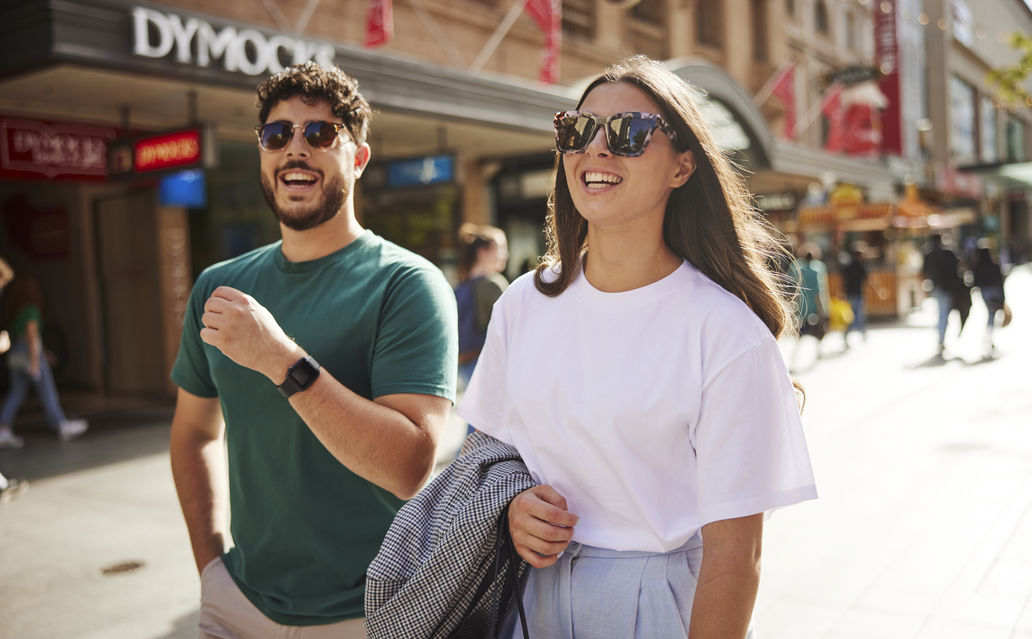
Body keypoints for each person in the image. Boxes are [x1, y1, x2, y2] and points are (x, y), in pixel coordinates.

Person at [459, 56, 817, 638]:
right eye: (578, 130)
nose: (596, 150)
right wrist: (512, 507)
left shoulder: (723, 330)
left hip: (658, 601)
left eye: (627, 133)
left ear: (681, 167)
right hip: (527, 593)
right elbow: (486, 456)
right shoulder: (523, 303)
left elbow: (736, 553)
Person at [169, 62, 457, 638]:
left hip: (370, 611)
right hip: (239, 605)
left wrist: (279, 358)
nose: (294, 149)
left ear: (358, 158)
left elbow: (409, 467)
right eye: (277, 135)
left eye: (319, 134)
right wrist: (211, 566)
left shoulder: (406, 283)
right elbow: (194, 433)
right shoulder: (217, 288)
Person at [0, 274, 88, 449]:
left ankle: (3, 429)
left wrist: (44, 352)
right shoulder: (31, 310)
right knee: (48, 391)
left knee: (16, 393)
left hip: (16, 357)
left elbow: (23, 338)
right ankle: (61, 424)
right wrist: (35, 361)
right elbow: (32, 337)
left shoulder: (17, 311)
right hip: (30, 356)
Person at [454, 223, 509, 389]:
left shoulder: (459, 288)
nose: (506, 255)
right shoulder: (493, 284)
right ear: (482, 252)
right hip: (488, 364)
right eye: (501, 249)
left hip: (463, 365)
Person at [788, 242, 830, 368]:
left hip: (801, 306)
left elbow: (791, 287)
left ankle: (794, 357)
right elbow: (818, 291)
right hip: (814, 306)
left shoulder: (796, 268)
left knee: (799, 334)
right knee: (819, 330)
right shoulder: (817, 269)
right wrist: (822, 309)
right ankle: (819, 352)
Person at [922, 233, 959, 355]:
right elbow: (956, 269)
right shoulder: (948, 253)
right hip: (947, 288)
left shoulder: (928, 254)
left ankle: (941, 338)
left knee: (941, 312)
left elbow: (924, 272)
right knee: (943, 313)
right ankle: (941, 338)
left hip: (936, 287)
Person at [971, 242, 1006, 356]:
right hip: (995, 292)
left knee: (991, 314)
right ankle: (989, 338)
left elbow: (975, 282)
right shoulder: (994, 265)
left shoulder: (979, 266)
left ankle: (989, 338)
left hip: (986, 292)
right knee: (992, 315)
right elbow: (1000, 282)